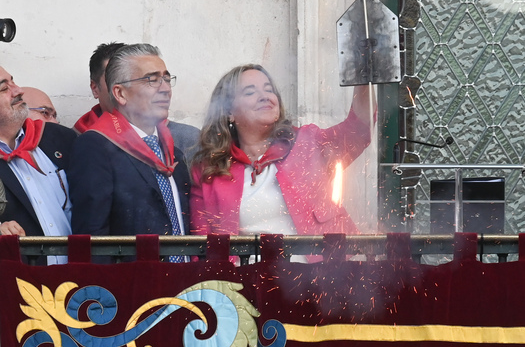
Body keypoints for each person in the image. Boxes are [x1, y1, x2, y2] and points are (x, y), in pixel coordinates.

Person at [189, 64, 371, 242]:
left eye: (269, 90)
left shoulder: (307, 143)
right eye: (250, 92)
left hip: (317, 270)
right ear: (229, 112)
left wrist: (364, 72)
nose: (265, 97)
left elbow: (358, 130)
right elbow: (202, 249)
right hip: (245, 272)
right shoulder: (209, 172)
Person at [67, 44, 191, 243]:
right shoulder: (95, 147)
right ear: (120, 93)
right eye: (152, 79)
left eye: (166, 79)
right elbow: (91, 236)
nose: (166, 89)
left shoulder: (172, 152)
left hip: (183, 272)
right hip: (131, 273)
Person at [74, 41, 200, 160]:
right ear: (95, 88)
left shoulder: (187, 140)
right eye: (111, 78)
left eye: (166, 79)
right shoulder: (81, 140)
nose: (165, 89)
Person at [0, 66, 76, 263]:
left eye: (13, 81)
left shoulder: (60, 138)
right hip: (23, 284)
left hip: (82, 279)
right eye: (3, 88)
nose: (18, 90)